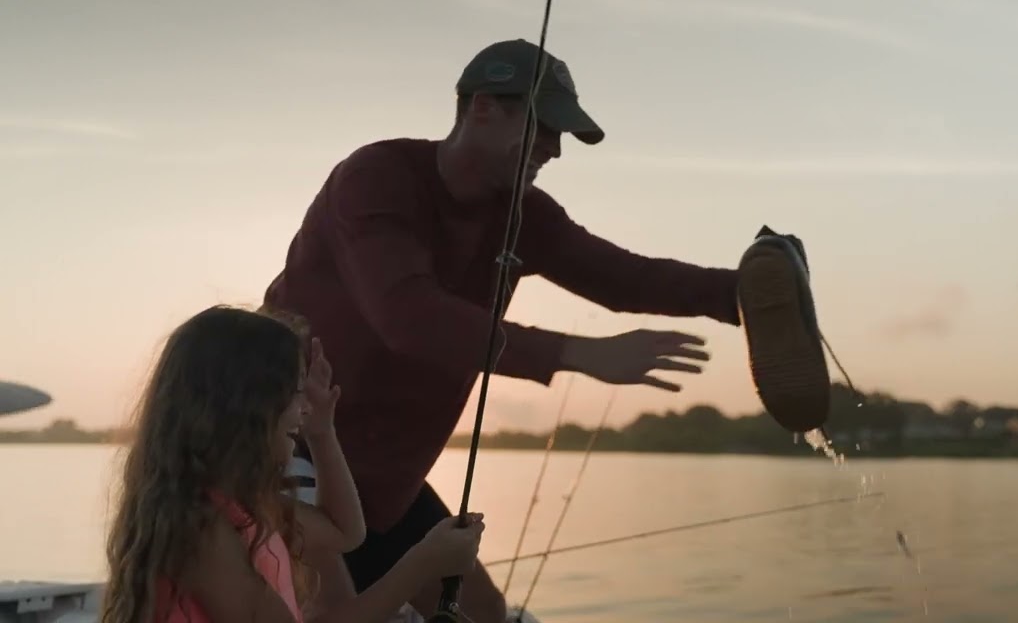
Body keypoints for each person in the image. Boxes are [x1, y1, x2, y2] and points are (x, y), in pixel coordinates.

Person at [262, 38, 773, 622]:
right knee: (336, 612)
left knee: (485, 613)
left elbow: (618, 275)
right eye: (544, 128)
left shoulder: (524, 213)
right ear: (482, 106)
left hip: (388, 480)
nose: (553, 151)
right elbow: (408, 315)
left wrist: (739, 293)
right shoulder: (377, 178)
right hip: (292, 447)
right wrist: (578, 354)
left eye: (562, 138)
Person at [99, 305, 486, 623]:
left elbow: (344, 532)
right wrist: (422, 564)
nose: (303, 407)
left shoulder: (250, 507)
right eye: (295, 393)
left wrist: (322, 432)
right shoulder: (201, 528)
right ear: (247, 406)